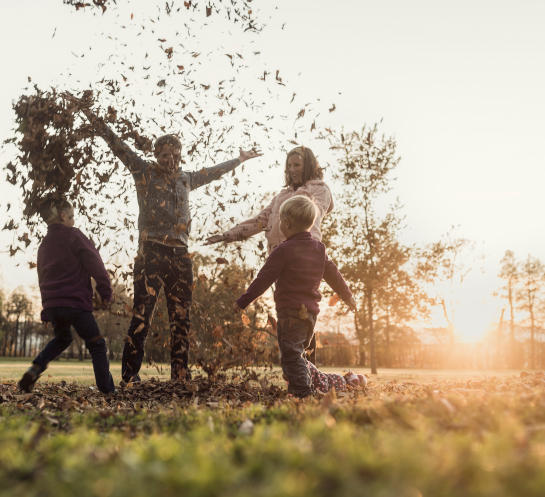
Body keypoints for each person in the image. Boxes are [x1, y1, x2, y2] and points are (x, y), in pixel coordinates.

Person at [78, 105, 262, 384]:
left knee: (181, 317)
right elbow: (117, 145)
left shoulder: (187, 178)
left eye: (176, 155)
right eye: (166, 155)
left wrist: (239, 159)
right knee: (142, 315)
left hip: (180, 255)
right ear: (156, 155)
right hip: (150, 253)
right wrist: (92, 117)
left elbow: (213, 172)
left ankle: (180, 373)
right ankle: (130, 375)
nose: (171, 160)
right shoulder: (142, 171)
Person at [205, 146, 332, 363]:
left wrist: (299, 193)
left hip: (304, 257)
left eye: (297, 165)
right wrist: (229, 234)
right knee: (286, 311)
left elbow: (312, 213)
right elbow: (261, 220)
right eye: (289, 165)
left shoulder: (319, 190)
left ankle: (307, 370)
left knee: (303, 312)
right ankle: (295, 371)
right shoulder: (281, 196)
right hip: (280, 256)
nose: (292, 169)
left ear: (308, 165)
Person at [233, 195, 357, 398]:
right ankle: (322, 383)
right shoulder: (319, 249)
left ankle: (302, 392)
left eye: (280, 220)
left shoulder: (284, 250)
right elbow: (334, 275)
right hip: (310, 316)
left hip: (290, 314)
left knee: (291, 356)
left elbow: (263, 279)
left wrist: (243, 301)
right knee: (297, 355)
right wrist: (348, 296)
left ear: (287, 223)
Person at [19, 199, 116, 394]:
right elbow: (94, 261)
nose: (73, 221)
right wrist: (105, 290)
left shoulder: (44, 245)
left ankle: (36, 367)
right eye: (71, 216)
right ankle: (108, 390)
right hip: (75, 302)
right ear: (63, 216)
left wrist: (46, 311)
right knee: (97, 344)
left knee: (62, 338)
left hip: (53, 305)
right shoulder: (74, 235)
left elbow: (42, 277)